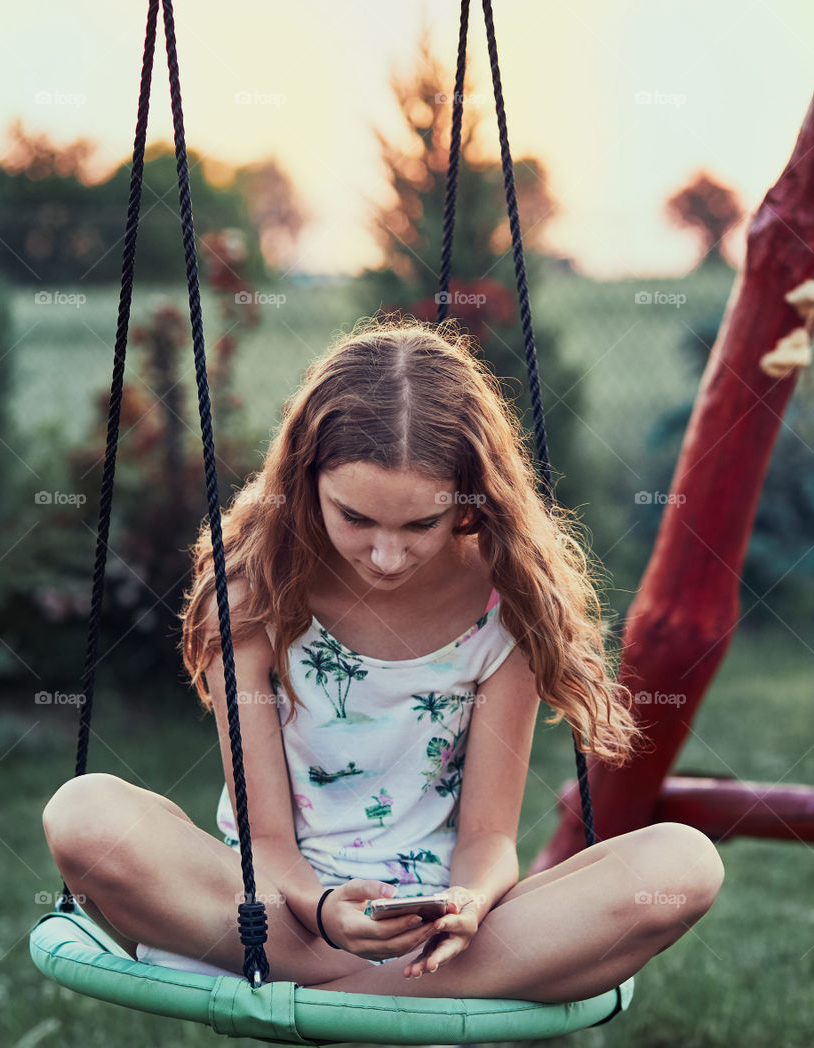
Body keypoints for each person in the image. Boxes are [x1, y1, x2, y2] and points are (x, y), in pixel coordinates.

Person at [42, 316, 724, 1003]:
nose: (386, 556)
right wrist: (323, 909)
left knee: (682, 863)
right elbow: (267, 837)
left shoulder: (504, 603)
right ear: (306, 481)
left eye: (419, 524)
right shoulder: (251, 595)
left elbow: (489, 837)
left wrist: (468, 903)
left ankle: (363, 988)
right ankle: (395, 989)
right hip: (276, 912)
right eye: (356, 519)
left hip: (436, 933)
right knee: (84, 813)